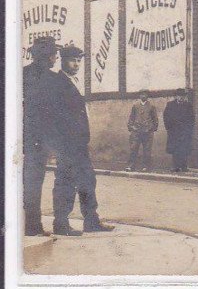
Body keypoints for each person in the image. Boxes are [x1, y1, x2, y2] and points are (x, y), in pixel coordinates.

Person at [46, 44, 114, 236]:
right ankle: (60, 223)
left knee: (88, 180)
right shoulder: (58, 83)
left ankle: (91, 221)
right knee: (66, 182)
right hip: (67, 144)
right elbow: (56, 116)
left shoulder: (74, 81)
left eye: (78, 61)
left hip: (79, 144)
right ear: (63, 60)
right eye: (72, 60)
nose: (76, 64)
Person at [22, 36, 58, 236]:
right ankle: (33, 226)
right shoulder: (52, 79)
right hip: (40, 139)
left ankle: (28, 224)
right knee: (35, 182)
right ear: (49, 56)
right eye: (54, 55)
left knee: (27, 182)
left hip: (23, 135)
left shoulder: (22, 74)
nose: (56, 59)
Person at [125, 90, 159, 172]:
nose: (143, 96)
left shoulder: (151, 106)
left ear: (147, 96)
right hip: (136, 131)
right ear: (139, 96)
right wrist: (131, 127)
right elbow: (131, 118)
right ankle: (131, 166)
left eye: (145, 94)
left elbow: (155, 119)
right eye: (141, 94)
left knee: (147, 150)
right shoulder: (135, 105)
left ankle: (145, 166)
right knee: (133, 149)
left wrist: (152, 129)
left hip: (147, 131)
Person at [163, 88, 194, 172]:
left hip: (184, 131)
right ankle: (175, 166)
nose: (181, 97)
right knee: (175, 149)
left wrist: (189, 130)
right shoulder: (170, 105)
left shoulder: (188, 105)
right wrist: (169, 128)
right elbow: (166, 117)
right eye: (179, 95)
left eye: (183, 96)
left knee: (184, 148)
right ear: (176, 96)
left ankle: (184, 166)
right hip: (174, 131)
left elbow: (192, 118)